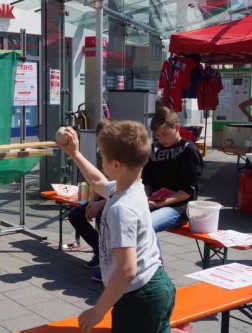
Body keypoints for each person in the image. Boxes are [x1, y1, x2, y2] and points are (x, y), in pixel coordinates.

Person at [57, 122, 175, 333]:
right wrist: (75, 154)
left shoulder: (122, 210)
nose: (101, 161)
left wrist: (98, 311)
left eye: (102, 157)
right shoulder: (129, 188)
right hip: (153, 287)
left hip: (139, 298)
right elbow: (98, 181)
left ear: (117, 165)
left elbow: (127, 269)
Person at [142, 106, 203, 233]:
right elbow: (147, 182)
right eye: (157, 136)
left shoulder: (189, 150)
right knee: (120, 218)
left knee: (146, 227)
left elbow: (187, 191)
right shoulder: (153, 149)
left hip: (179, 207)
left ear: (177, 127)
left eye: (165, 134)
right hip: (154, 202)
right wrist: (144, 197)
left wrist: (160, 204)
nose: (161, 139)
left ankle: (153, 254)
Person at [67, 119, 113, 277]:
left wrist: (101, 205)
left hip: (118, 197)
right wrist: (93, 201)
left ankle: (108, 263)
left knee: (102, 216)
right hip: (105, 193)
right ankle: (99, 252)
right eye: (100, 138)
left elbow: (123, 189)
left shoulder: (121, 153)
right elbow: (100, 181)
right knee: (75, 215)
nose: (103, 142)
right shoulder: (101, 152)